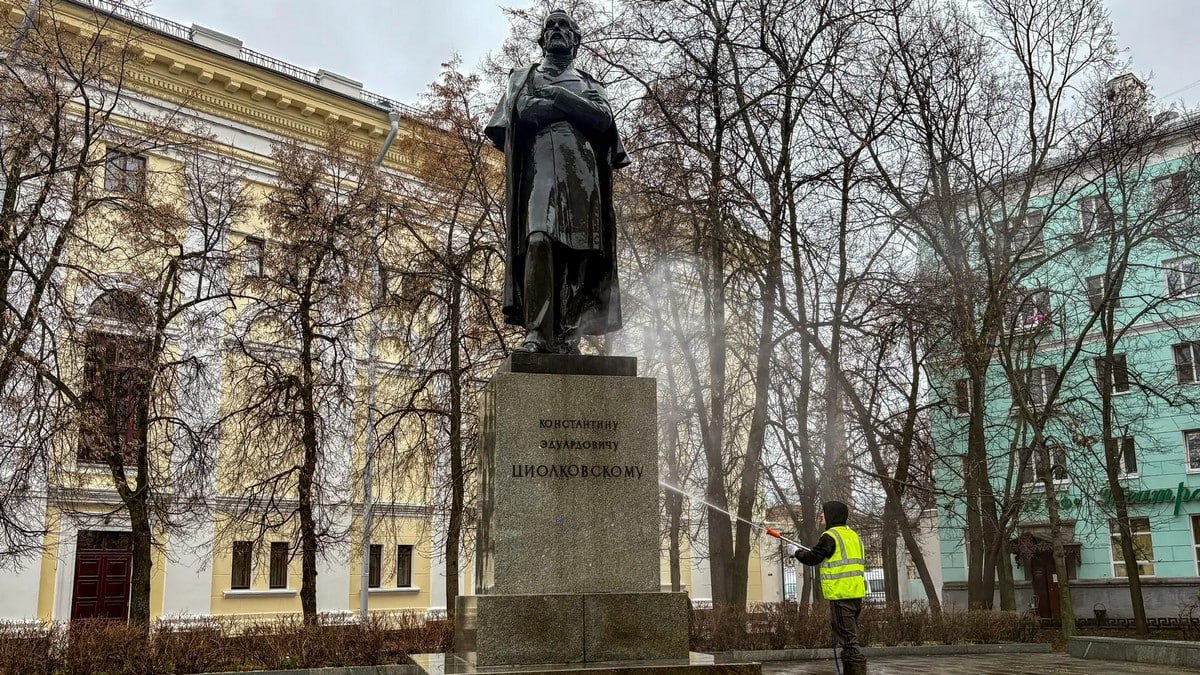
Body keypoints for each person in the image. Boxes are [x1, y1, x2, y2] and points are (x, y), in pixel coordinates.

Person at [484, 9, 629, 354]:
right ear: (542, 39)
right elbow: (524, 112)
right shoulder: (523, 77)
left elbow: (601, 119)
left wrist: (558, 98)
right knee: (538, 240)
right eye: (551, 25)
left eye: (565, 26)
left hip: (583, 172)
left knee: (580, 253)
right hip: (540, 168)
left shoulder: (592, 84)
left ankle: (569, 334)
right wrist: (571, 108)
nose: (557, 30)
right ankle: (538, 332)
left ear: (577, 40)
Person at [787, 500, 867, 675]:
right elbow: (826, 555)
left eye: (823, 512)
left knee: (849, 642)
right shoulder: (853, 536)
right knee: (849, 639)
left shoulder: (830, 536)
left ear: (832, 515)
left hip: (841, 596)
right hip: (856, 595)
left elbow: (813, 558)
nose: (821, 515)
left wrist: (795, 552)